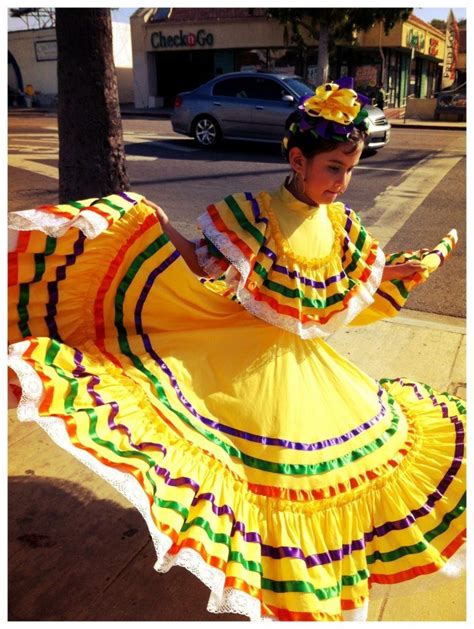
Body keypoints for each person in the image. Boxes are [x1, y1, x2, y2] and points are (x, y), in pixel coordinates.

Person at [8, 77, 465, 622]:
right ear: (298, 160)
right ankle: (269, 582)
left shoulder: (342, 224)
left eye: (351, 168)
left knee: (323, 476)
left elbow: (350, 287)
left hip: (303, 371)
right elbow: (200, 264)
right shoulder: (255, 214)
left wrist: (394, 270)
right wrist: (151, 223)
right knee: (258, 479)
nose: (343, 182)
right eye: (334, 168)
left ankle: (298, 584)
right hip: (236, 360)